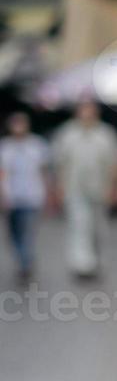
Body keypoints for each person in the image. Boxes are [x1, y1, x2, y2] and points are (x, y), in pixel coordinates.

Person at [53, 99, 117, 280]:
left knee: (98, 229)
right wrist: (59, 187)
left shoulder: (106, 134)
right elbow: (60, 163)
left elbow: (116, 163)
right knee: (79, 226)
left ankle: (97, 261)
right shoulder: (67, 134)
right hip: (74, 188)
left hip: (100, 188)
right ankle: (82, 265)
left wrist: (115, 188)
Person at [0, 111, 50, 283]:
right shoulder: (5, 147)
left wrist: (48, 194)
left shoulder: (37, 146)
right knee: (13, 234)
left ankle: (25, 262)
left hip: (32, 196)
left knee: (27, 232)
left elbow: (44, 171)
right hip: (12, 198)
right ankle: (23, 258)